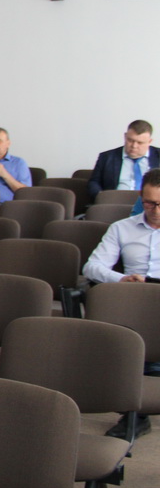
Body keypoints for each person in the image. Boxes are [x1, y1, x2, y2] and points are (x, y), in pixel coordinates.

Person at [84, 168, 160, 439]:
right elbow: (92, 267)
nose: (156, 210)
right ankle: (135, 411)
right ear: (141, 198)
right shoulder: (122, 228)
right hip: (133, 299)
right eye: (149, 203)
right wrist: (122, 278)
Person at [88, 120, 160, 200]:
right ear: (125, 136)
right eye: (130, 140)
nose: (134, 146)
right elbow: (94, 182)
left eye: (140, 143)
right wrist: (101, 196)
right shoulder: (107, 157)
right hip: (114, 202)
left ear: (149, 141)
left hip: (151, 204)